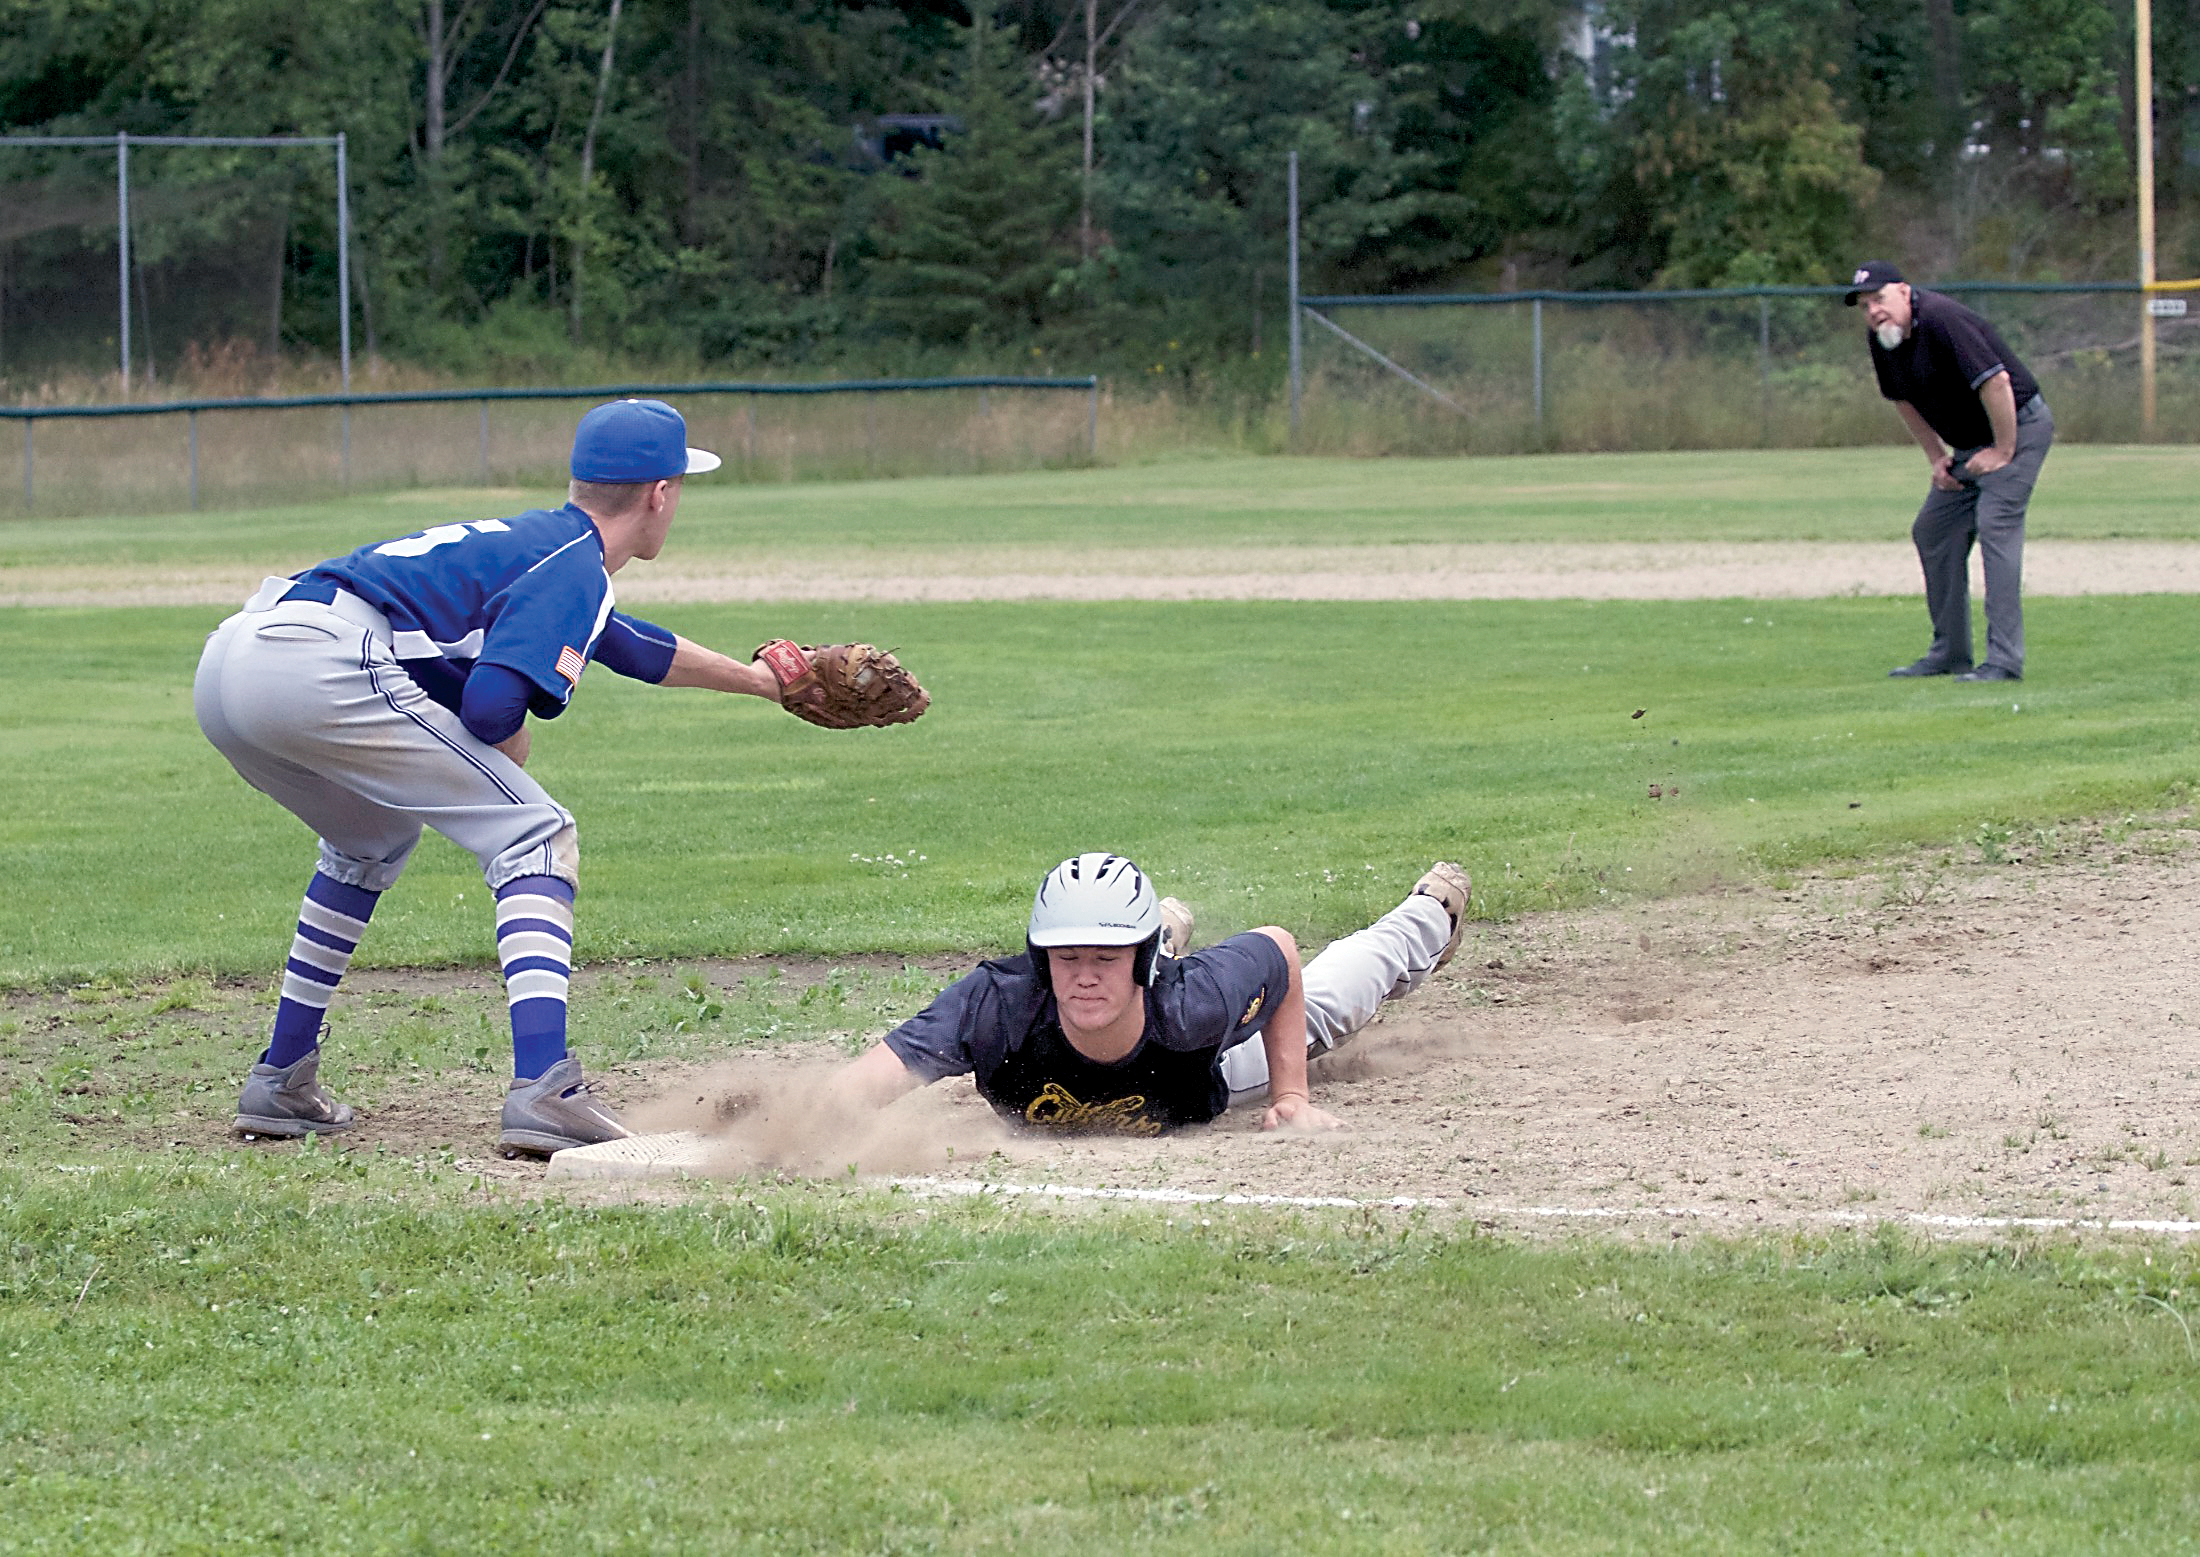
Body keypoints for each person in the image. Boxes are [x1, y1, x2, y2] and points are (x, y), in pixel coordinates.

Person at [195, 398, 831, 1155]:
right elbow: (495, 704)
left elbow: (620, 641)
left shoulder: (546, 545)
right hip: (321, 664)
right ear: (660, 494)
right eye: (679, 488)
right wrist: (506, 733)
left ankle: (281, 1080)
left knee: (371, 840)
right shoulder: (574, 562)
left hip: (237, 659)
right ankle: (545, 1088)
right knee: (537, 833)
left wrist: (762, 681)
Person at [828, 852, 1473, 1135]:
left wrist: (1292, 1095)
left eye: (1107, 957)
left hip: (1211, 1068)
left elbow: (1278, 949)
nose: (1083, 974)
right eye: (1067, 956)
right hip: (1149, 997)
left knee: (1328, 1007)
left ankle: (1426, 916)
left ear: (1140, 963)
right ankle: (1158, 931)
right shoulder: (995, 1007)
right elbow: (858, 1090)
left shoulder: (1194, 1007)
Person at [1845, 260, 2053, 683]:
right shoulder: (1883, 338)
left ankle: (2004, 662)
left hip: (2020, 427)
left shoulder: (1942, 319)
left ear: (1904, 291)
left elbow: (1996, 383)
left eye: (1879, 299)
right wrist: (1936, 457)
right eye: (1865, 305)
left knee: (1996, 526)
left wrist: (2004, 449)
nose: (1873, 311)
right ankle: (1950, 653)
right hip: (1972, 445)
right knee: (1934, 530)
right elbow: (1902, 399)